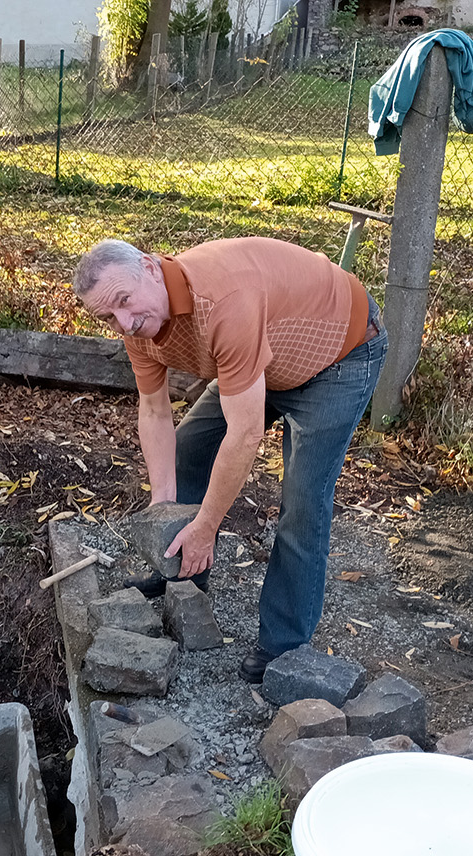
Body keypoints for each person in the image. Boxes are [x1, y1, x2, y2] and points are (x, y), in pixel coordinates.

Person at [72, 237, 387, 683]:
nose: (124, 322)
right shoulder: (137, 325)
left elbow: (244, 434)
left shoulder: (221, 300)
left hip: (337, 358)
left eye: (124, 301)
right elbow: (154, 410)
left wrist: (206, 527)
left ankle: (285, 646)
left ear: (149, 267)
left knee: (303, 499)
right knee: (188, 451)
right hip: (261, 359)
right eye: (109, 317)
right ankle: (183, 572)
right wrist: (165, 507)